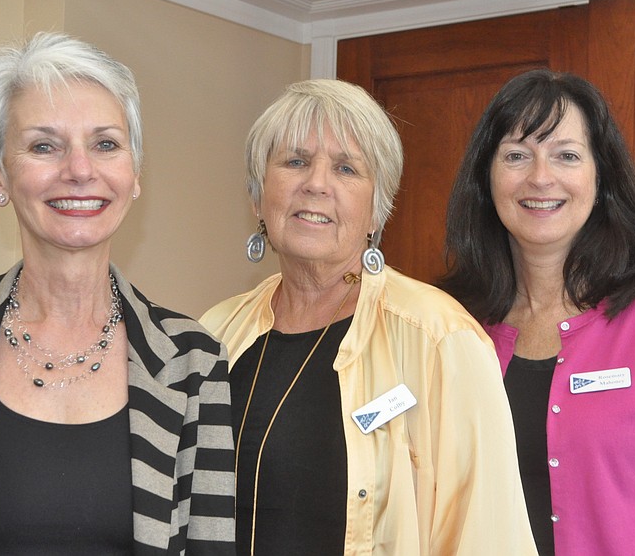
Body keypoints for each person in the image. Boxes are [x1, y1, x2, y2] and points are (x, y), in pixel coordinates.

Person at [0, 32, 235, 555]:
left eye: (105, 144)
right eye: (44, 145)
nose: (79, 170)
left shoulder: (192, 362)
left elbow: (211, 544)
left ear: (134, 173)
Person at [199, 78, 537, 556]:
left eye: (345, 168)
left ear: (377, 212)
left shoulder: (440, 338)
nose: (316, 183)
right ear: (258, 197)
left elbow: (490, 537)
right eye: (295, 161)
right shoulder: (214, 334)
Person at [439, 68, 635, 555]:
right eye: (517, 155)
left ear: (601, 178)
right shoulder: (451, 327)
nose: (540, 176)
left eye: (566, 155)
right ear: (486, 179)